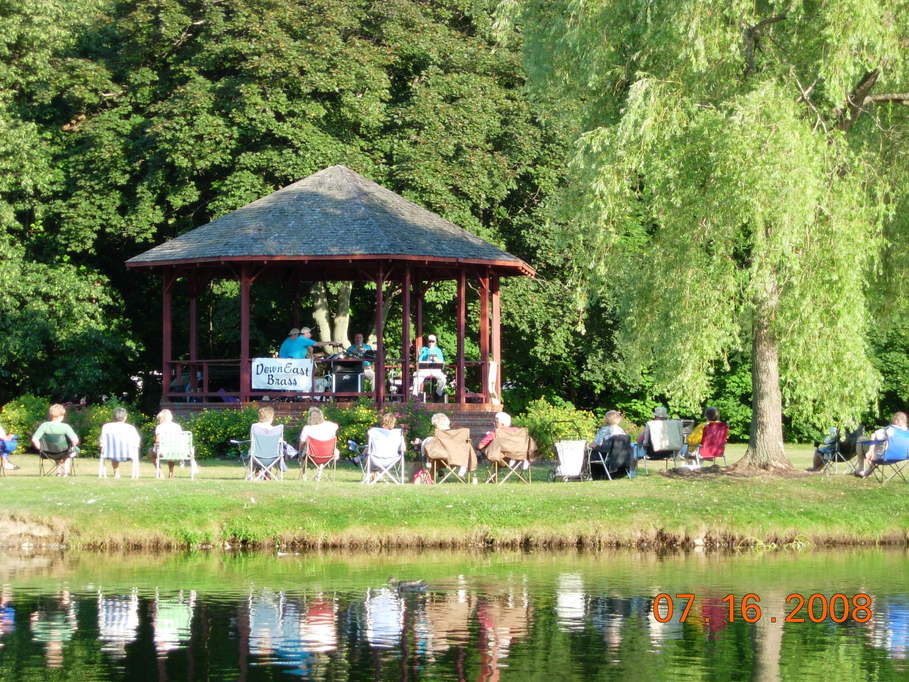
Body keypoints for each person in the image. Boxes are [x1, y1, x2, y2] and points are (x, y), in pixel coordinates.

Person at [855, 411, 909, 478]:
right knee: (879, 446)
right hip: (899, 457)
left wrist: (870, 450)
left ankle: (860, 469)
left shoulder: (891, 429)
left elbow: (874, 434)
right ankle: (868, 471)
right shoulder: (907, 433)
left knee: (861, 439)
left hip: (882, 457)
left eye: (893, 419)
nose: (892, 421)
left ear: (897, 420)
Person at [31, 404, 80, 476]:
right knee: (71, 451)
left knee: (57, 450)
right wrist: (73, 445)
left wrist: (39, 447)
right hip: (63, 452)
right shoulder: (65, 427)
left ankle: (59, 472)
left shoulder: (44, 425)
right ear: (61, 416)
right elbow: (75, 440)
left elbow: (34, 439)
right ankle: (66, 472)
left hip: (47, 453)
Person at [99, 407, 141, 479]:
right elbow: (137, 441)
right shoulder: (130, 428)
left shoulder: (106, 427)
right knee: (121, 449)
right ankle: (132, 474)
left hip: (110, 453)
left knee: (114, 449)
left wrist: (102, 446)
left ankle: (116, 472)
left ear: (113, 417)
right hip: (128, 453)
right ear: (125, 417)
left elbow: (102, 440)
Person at [298, 407, 340, 479]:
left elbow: (302, 442)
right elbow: (336, 426)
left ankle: (304, 475)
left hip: (311, 455)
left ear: (310, 418)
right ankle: (319, 471)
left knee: (302, 453)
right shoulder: (329, 425)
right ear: (321, 416)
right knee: (323, 450)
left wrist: (300, 451)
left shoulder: (307, 428)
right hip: (328, 455)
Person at [412, 334, 447, 399]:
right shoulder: (424, 350)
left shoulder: (438, 350)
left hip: (436, 370)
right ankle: (415, 395)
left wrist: (434, 359)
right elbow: (420, 361)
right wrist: (426, 356)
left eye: (432, 341)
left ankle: (438, 394)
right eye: (429, 341)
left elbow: (442, 362)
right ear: (427, 342)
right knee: (417, 378)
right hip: (425, 370)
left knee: (443, 379)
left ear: (435, 342)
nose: (431, 343)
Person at [153, 409, 183, 479]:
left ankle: (160, 472)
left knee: (150, 452)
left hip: (164, 451)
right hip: (176, 451)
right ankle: (171, 473)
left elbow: (157, 440)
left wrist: (155, 444)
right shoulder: (177, 426)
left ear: (163, 418)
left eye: (159, 419)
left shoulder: (159, 427)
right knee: (170, 452)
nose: (159, 421)